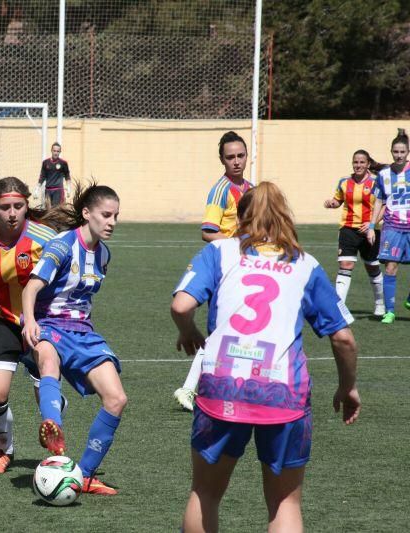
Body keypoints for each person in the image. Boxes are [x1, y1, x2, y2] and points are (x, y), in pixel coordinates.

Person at [171, 182, 360, 533]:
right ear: (283, 217)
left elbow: (181, 305)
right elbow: (344, 338)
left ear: (242, 218)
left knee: (205, 493)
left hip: (222, 384)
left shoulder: (221, 252)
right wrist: (348, 387)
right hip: (282, 390)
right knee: (284, 503)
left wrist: (189, 332)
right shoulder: (304, 264)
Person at [21, 181, 126, 496]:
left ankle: (86, 476)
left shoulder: (104, 255)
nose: (112, 222)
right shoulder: (62, 245)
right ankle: (53, 432)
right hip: (48, 323)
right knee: (49, 361)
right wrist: (29, 323)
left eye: (116, 216)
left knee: (117, 399)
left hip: (83, 332)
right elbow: (31, 288)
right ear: (86, 213)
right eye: (106, 215)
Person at [0, 176, 65, 475]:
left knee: (45, 395)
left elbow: (67, 270)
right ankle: (3, 449)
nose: (12, 213)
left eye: (18, 206)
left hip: (42, 321)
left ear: (26, 206)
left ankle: (55, 451)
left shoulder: (45, 238)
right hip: (2, 322)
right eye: (5, 207)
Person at [174, 131, 255, 411]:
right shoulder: (221, 190)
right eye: (230, 157)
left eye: (240, 156)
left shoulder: (250, 188)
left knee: (241, 330)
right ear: (221, 159)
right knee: (224, 331)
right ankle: (189, 388)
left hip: (246, 266)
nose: (236, 161)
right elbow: (208, 232)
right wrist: (236, 244)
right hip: (225, 267)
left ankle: (227, 387)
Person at [323, 149, 385, 315]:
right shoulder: (344, 182)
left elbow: (385, 205)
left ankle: (380, 304)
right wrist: (331, 203)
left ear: (368, 164)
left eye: (362, 162)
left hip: (369, 231)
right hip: (348, 229)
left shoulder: (376, 182)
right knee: (345, 265)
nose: (358, 165)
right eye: (356, 162)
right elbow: (338, 200)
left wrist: (372, 224)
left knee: (372, 267)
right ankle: (339, 308)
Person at [367, 128, 410, 324]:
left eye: (402, 151)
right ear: (391, 152)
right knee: (391, 268)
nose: (399, 155)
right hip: (392, 227)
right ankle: (390, 311)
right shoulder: (383, 174)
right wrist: (371, 226)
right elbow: (379, 202)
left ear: (407, 152)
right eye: (396, 151)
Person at [35, 142, 71, 207]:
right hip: (48, 190)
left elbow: (67, 175)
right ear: (51, 150)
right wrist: (37, 189)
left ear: (60, 152)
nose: (56, 153)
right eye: (54, 151)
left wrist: (69, 188)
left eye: (58, 151)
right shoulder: (45, 162)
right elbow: (42, 176)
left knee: (56, 211)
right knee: (47, 211)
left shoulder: (63, 163)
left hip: (58, 190)